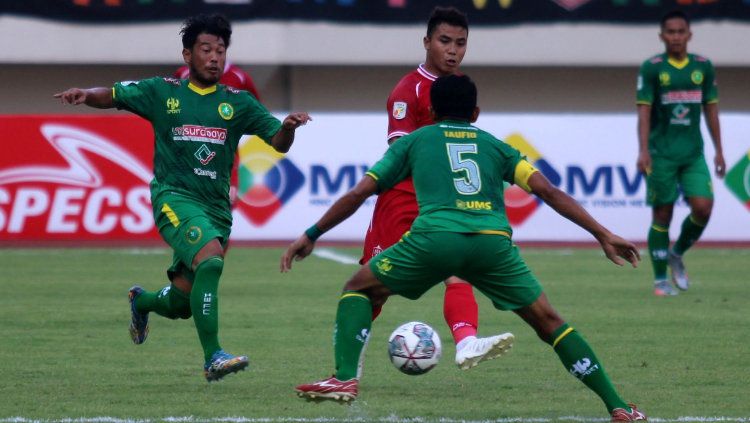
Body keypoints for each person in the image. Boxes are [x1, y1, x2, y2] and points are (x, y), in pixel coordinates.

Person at [281, 75, 646, 422]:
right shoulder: (495, 146)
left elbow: (360, 192)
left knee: (358, 288)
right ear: (475, 114)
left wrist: (312, 233)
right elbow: (548, 191)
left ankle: (345, 376)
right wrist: (602, 233)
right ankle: (618, 407)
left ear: (433, 112)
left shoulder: (414, 140)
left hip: (434, 240)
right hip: (492, 245)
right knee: (549, 322)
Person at [54, 13, 311, 382]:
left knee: (182, 303)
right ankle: (213, 357)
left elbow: (277, 143)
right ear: (187, 55)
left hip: (216, 209)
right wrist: (85, 95)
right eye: (206, 50)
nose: (214, 58)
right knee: (211, 260)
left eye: (220, 51)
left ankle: (141, 301)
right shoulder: (164, 91)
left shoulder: (237, 102)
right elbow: (113, 94)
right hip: (173, 198)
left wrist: (287, 129)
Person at [362, 5, 513, 372]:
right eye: (445, 41)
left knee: (457, 269)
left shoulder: (459, 89)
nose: (453, 50)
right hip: (403, 201)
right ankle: (348, 368)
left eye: (461, 43)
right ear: (427, 42)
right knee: (372, 287)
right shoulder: (407, 90)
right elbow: (399, 152)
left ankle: (466, 342)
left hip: (444, 203)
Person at [636, 9, 725, 296]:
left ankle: (678, 252)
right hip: (661, 154)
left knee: (703, 207)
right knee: (663, 214)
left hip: (693, 154)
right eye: (670, 32)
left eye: (680, 31)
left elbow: (711, 108)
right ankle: (660, 281)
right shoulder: (652, 68)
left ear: (689, 35)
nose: (675, 37)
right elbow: (644, 111)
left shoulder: (703, 66)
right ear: (662, 36)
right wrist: (643, 150)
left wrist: (719, 150)